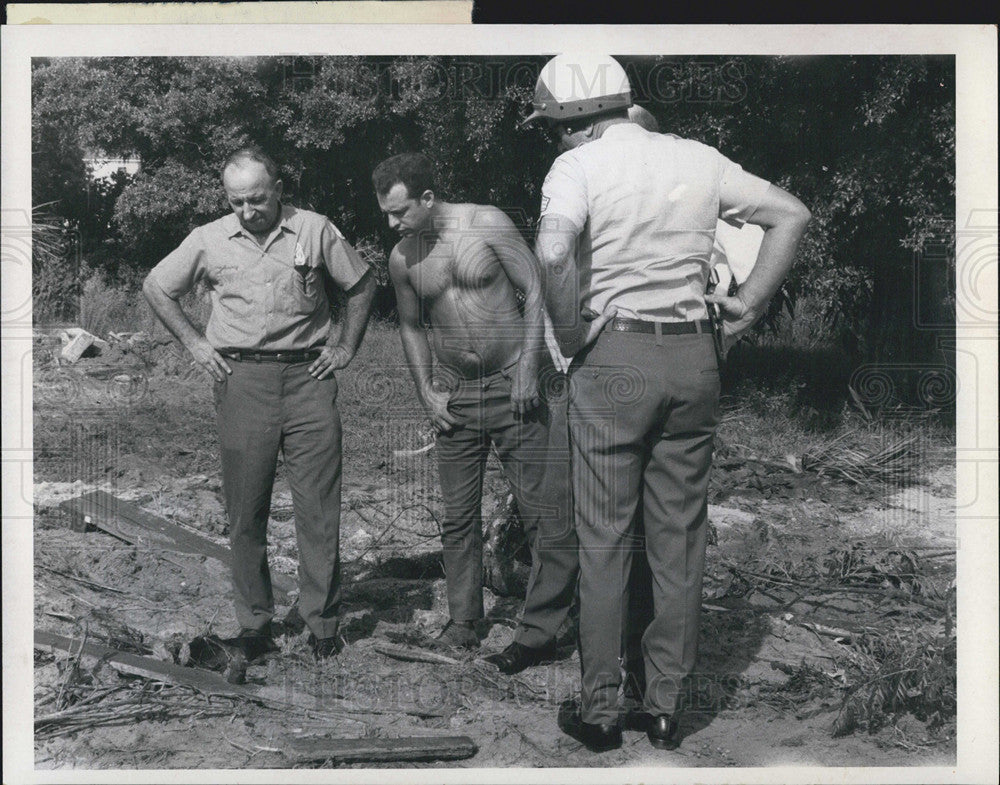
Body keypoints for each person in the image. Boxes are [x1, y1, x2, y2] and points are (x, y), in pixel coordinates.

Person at [526, 55, 811, 751]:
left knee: (604, 537)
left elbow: (555, 251)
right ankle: (664, 708)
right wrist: (746, 304)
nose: (552, 142)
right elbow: (792, 215)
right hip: (693, 358)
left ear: (569, 122)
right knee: (679, 538)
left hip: (615, 357)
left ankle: (600, 711)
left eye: (548, 131)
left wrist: (568, 332)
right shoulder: (699, 156)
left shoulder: (578, 167)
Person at [143, 147, 375, 660]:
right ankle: (254, 623)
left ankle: (322, 623)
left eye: (257, 199)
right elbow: (157, 286)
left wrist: (346, 346)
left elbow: (361, 285)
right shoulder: (207, 239)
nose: (248, 211)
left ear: (278, 189)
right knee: (246, 509)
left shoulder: (314, 229)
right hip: (240, 379)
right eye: (237, 201)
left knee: (319, 507)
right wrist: (195, 344)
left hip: (309, 378)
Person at [372, 152, 577, 673]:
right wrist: (426, 392)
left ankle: (543, 629)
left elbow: (534, 289)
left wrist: (530, 368)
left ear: (428, 198)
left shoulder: (486, 223)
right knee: (458, 517)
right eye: (387, 215)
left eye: (401, 212)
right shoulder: (404, 258)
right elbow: (412, 326)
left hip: (516, 385)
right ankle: (464, 623)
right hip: (458, 395)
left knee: (542, 511)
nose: (393, 224)